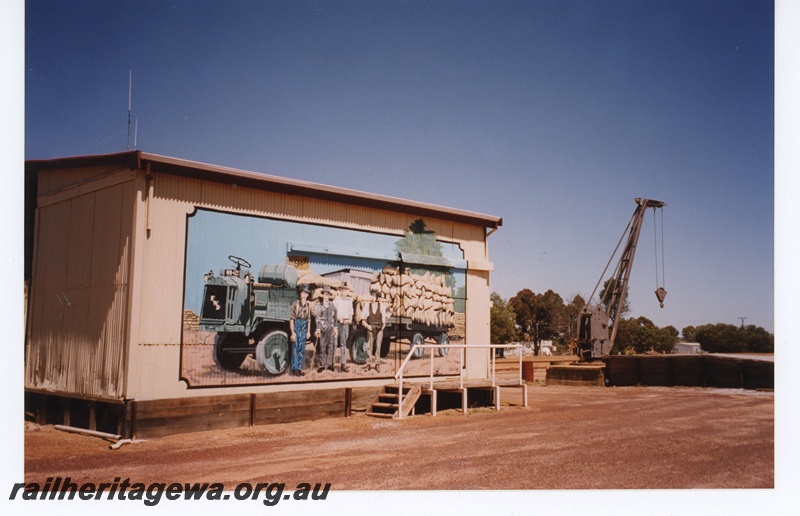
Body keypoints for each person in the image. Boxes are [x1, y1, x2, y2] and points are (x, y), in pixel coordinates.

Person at [361, 287, 386, 372]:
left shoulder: (382, 306)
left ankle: (377, 364)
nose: (372, 298)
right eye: (371, 296)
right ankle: (368, 364)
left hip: (379, 328)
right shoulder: (367, 306)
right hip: (370, 327)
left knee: (378, 346)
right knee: (369, 346)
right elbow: (363, 320)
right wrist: (367, 326)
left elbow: (384, 320)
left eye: (374, 296)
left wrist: (381, 327)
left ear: (377, 298)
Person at [289, 285, 312, 376]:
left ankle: (299, 368)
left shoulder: (308, 306)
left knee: (302, 348)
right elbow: (291, 319)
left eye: (305, 293)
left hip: (304, 326)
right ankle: (294, 369)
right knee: (295, 347)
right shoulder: (295, 304)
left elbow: (309, 320)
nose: (304, 294)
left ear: (307, 295)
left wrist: (308, 331)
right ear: (300, 293)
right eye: (302, 292)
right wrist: (293, 332)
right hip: (297, 325)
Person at [315, 285, 338, 373]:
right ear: (323, 296)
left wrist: (335, 328)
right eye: (325, 295)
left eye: (327, 295)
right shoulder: (319, 306)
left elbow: (335, 317)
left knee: (330, 347)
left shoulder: (332, 305)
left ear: (329, 296)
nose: (326, 297)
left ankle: (329, 365)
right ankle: (321, 365)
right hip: (323, 329)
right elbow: (317, 318)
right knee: (322, 347)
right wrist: (317, 329)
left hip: (331, 329)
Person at [332, 284, 354, 373]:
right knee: (334, 343)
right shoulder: (336, 300)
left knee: (343, 344)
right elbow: (332, 312)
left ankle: (343, 364)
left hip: (345, 324)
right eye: (343, 289)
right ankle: (332, 364)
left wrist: (349, 320)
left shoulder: (349, 301)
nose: (344, 291)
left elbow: (351, 313)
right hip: (337, 324)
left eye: (346, 289)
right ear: (340, 290)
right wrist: (338, 319)